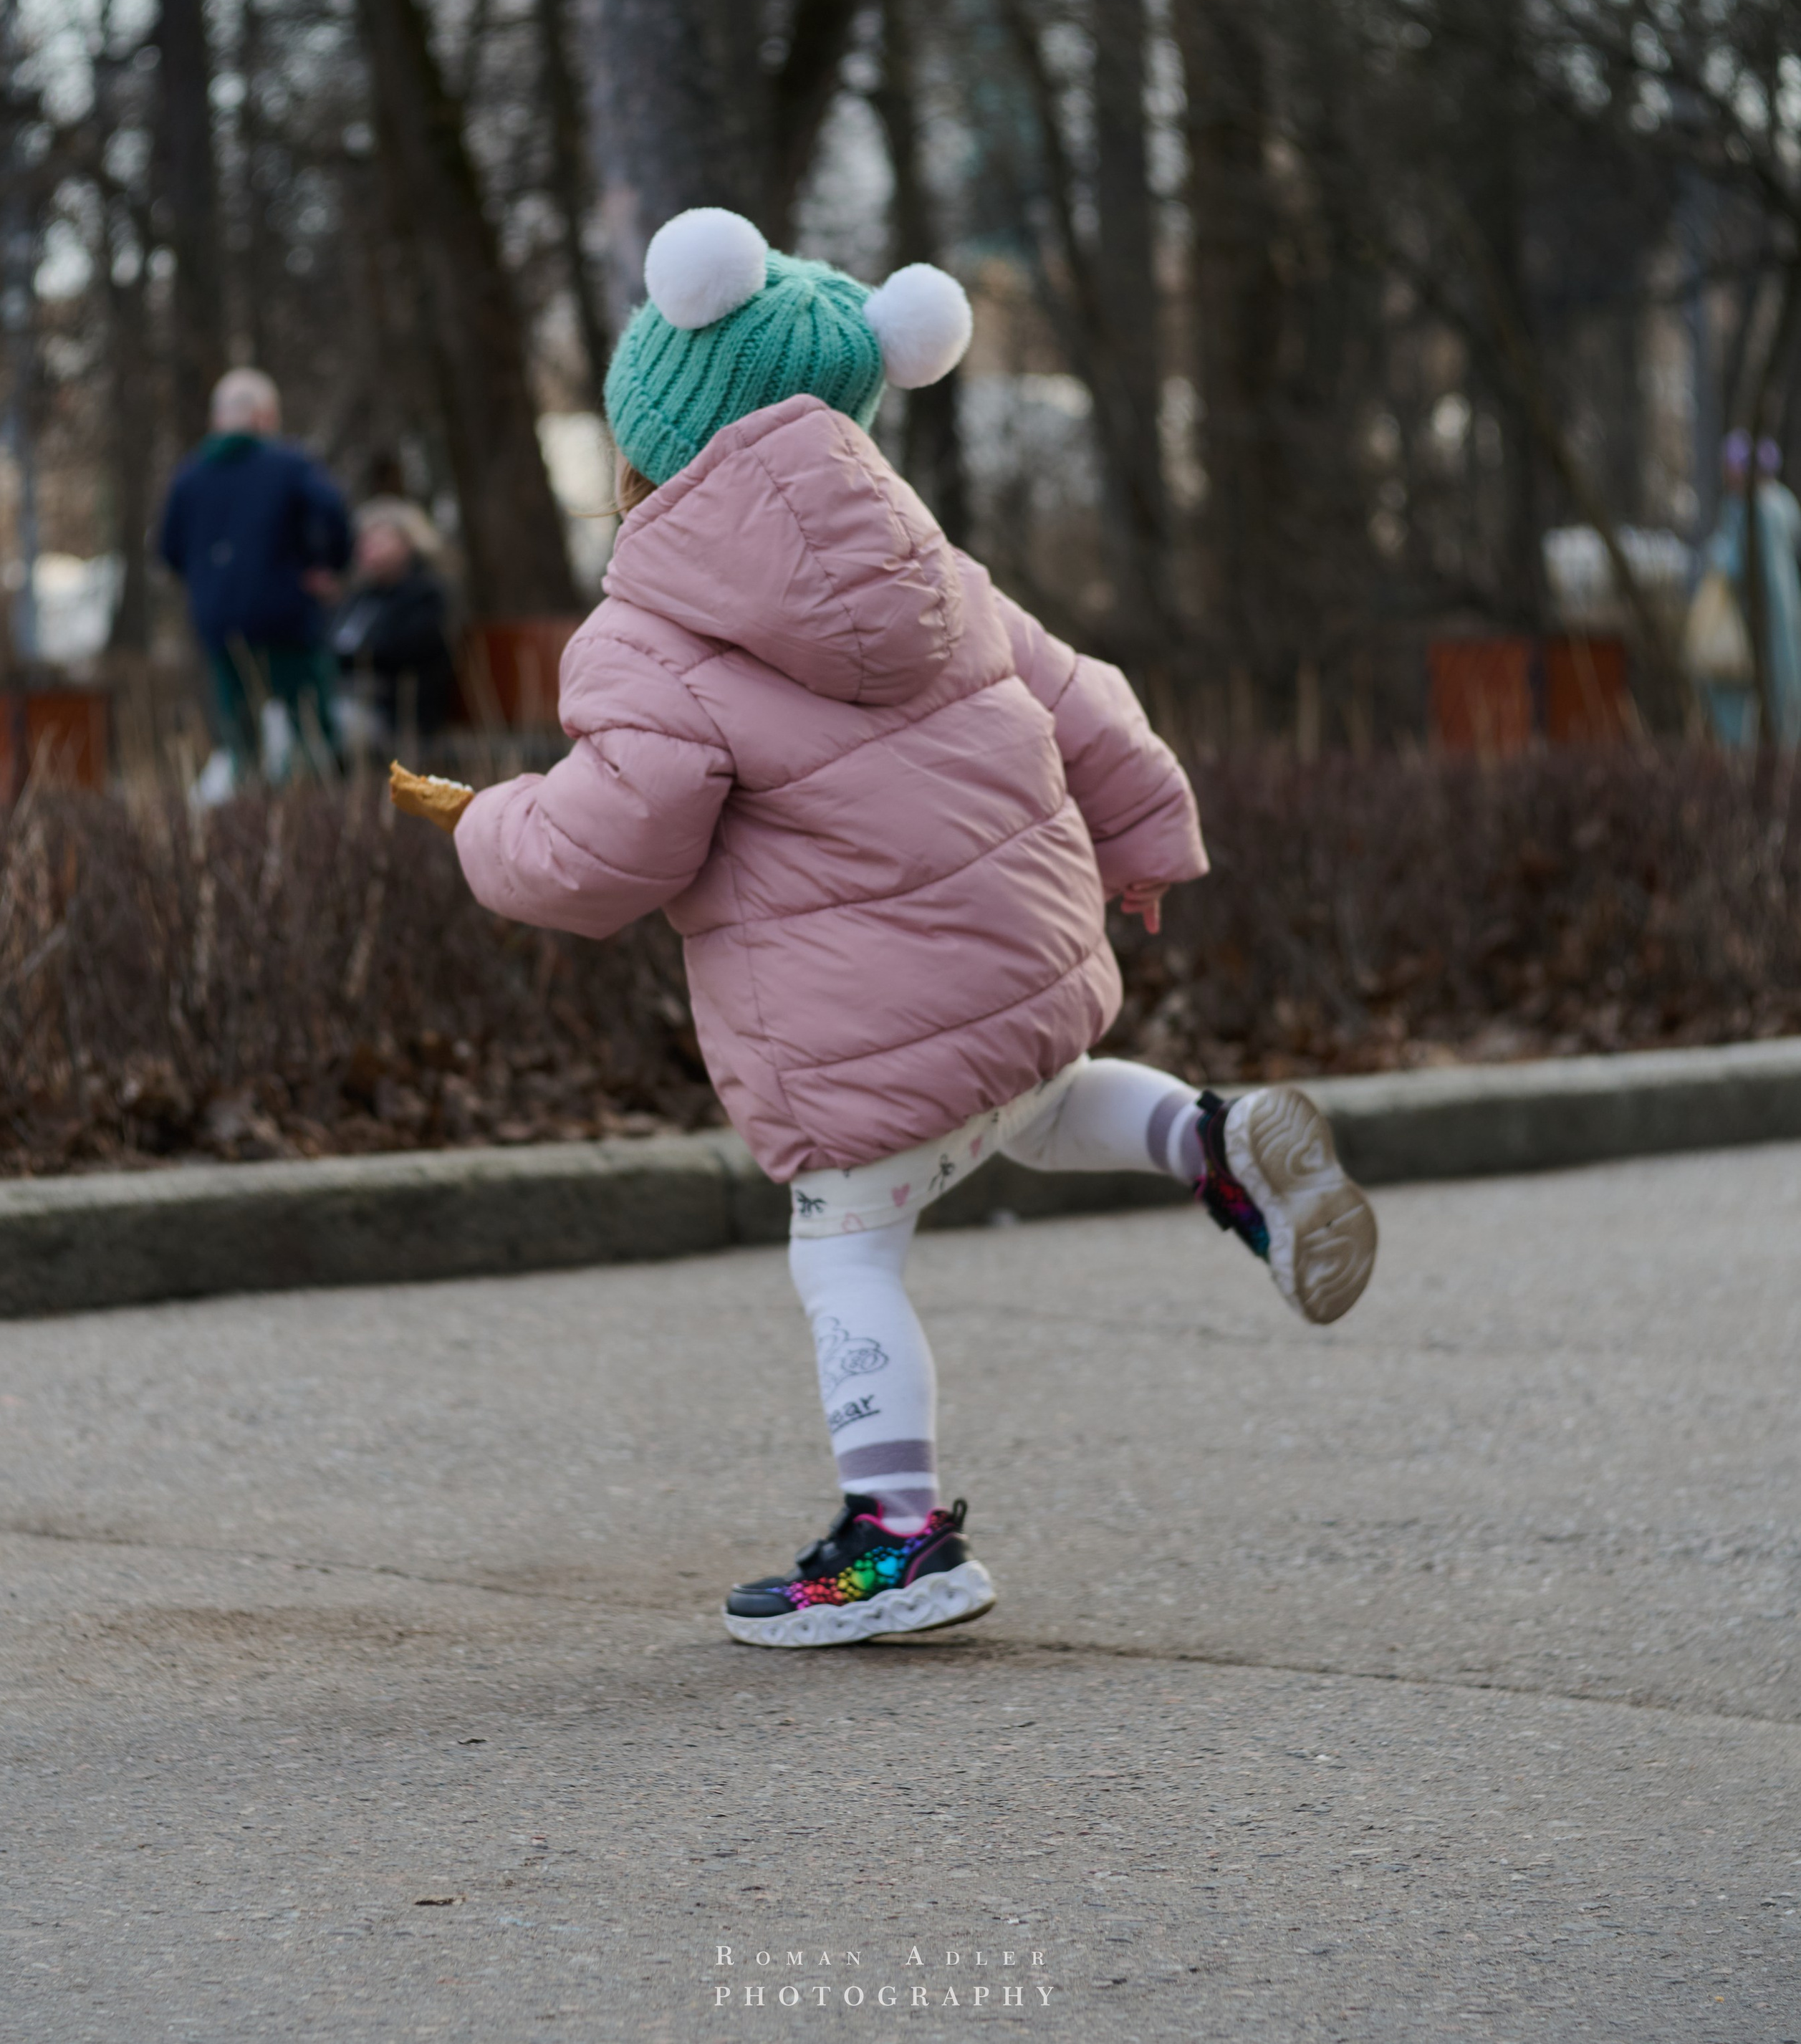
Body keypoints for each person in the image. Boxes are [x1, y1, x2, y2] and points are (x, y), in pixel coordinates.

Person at [393, 208, 1378, 1649]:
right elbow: (1085, 697)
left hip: (859, 1030)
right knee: (1032, 1104)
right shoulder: (934, 574)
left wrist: (488, 826)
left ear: (647, 437)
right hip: (1022, 958)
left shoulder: (646, 637)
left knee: (844, 1257)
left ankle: (895, 1537)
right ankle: (1210, 1138)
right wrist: (1148, 842)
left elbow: (613, 841)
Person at [159, 368, 351, 786]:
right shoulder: (290, 464)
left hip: (220, 619)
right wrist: (328, 564)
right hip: (286, 614)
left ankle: (245, 802)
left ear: (218, 419)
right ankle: (320, 804)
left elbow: (167, 548)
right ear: (265, 416)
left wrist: (207, 581)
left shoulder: (189, 475)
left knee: (238, 731)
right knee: (309, 723)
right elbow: (332, 512)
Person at [329, 499, 456, 754]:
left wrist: (343, 659)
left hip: (394, 711)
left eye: (379, 540)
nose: (368, 549)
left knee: (325, 723)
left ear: (409, 543)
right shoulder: (360, 596)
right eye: (364, 541)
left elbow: (398, 651)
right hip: (347, 698)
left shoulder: (424, 595)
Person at [1701, 431, 1801, 749]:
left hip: (1757, 617)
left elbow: (1731, 563)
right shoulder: (1783, 503)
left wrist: (1712, 558)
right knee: (1784, 687)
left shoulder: (1753, 509)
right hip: (1784, 614)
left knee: (1748, 690)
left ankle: (1754, 753)